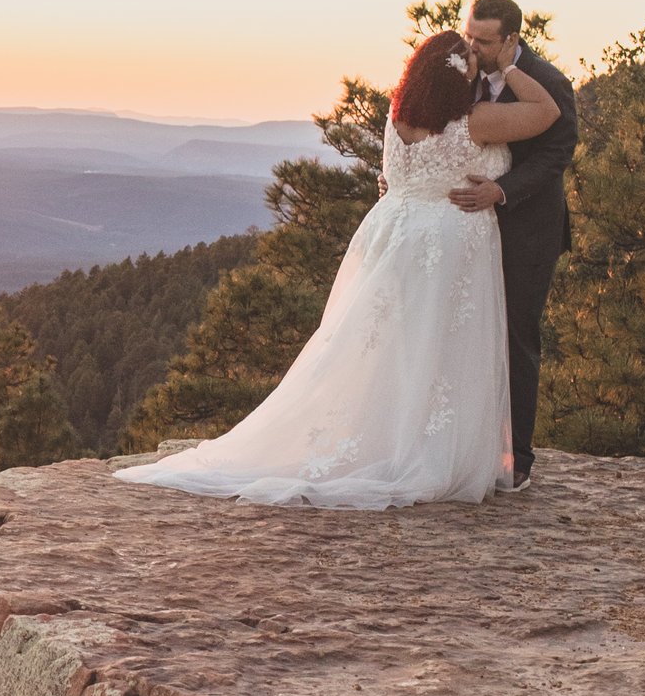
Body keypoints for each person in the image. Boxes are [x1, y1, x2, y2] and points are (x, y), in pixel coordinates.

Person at [116, 25, 562, 509]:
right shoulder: (476, 122)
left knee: (392, 347)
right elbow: (547, 111)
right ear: (457, 79)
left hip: (393, 232)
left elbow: (396, 179)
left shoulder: (399, 119)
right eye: (472, 62)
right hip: (449, 242)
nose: (479, 62)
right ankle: (426, 451)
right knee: (441, 350)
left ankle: (388, 440)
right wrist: (511, 63)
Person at [452, 0, 578, 492]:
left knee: (517, 338)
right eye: (468, 35)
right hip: (467, 232)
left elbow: (557, 155)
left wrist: (503, 192)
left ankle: (518, 457)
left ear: (511, 39)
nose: (472, 47)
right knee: (469, 335)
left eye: (483, 40)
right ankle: (470, 446)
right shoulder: (457, 76)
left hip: (527, 233)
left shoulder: (549, 83)